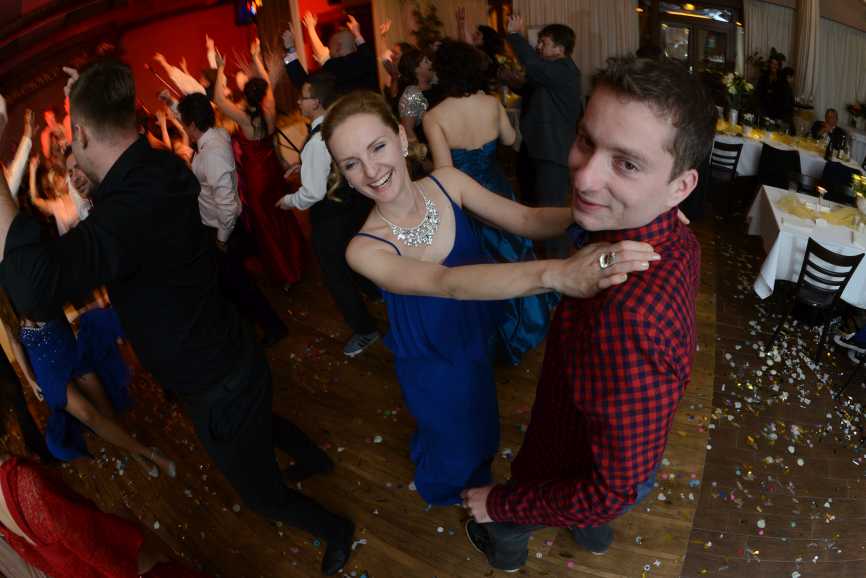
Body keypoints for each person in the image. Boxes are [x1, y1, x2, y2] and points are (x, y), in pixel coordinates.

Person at [0, 60, 354, 575]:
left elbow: (32, 285)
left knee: (261, 494)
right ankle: (314, 458)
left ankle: (336, 530)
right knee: (260, 424)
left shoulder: (128, 210)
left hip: (215, 380)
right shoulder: (157, 165)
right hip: (228, 354)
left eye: (75, 138)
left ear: (82, 134)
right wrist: (90, 100)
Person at [321, 90, 660, 506]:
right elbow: (447, 283)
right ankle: (452, 492)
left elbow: (526, 218)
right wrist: (557, 274)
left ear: (401, 138)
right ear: (343, 174)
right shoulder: (362, 249)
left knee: (481, 420)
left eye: (377, 147)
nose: (371, 171)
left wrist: (609, 214)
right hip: (431, 358)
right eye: (351, 164)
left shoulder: (447, 182)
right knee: (454, 439)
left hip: (471, 332)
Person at [460, 56, 711, 572]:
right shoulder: (672, 230)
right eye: (585, 140)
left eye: (628, 164)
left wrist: (501, 503)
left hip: (570, 458)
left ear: (681, 187)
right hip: (604, 429)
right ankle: (590, 533)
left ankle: (506, 547)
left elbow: (612, 489)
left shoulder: (629, 316)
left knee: (534, 512)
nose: (584, 176)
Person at [424, 40, 557, 365]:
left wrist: (417, 160)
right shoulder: (491, 102)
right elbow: (510, 140)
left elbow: (444, 172)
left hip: (465, 199)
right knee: (510, 253)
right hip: (497, 190)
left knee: (476, 265)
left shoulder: (434, 116)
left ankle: (489, 337)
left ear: (443, 73)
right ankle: (524, 325)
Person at [274, 60, 380, 358]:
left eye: (303, 97)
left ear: (316, 103)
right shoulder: (338, 125)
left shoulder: (315, 142)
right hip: (353, 206)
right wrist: (305, 167)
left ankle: (365, 329)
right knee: (358, 254)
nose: (299, 101)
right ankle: (376, 292)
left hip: (330, 218)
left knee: (336, 276)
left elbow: (312, 193)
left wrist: (288, 201)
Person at [177, 92, 288, 347]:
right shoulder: (214, 136)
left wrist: (221, 239)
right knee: (234, 285)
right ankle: (254, 328)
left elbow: (226, 205)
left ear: (192, 124)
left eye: (184, 123)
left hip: (224, 229)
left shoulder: (212, 155)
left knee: (240, 286)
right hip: (222, 226)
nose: (183, 128)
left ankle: (273, 328)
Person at [0, 454, 210, 578]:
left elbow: (43, 558)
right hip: (117, 566)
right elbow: (90, 542)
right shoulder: (24, 482)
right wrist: (142, 558)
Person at [214, 40, 306, 292]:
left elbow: (219, 100)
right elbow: (266, 83)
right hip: (273, 172)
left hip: (256, 178)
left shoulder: (245, 119)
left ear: (245, 96)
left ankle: (285, 273)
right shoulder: (270, 111)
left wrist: (220, 68)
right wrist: (256, 57)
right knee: (282, 217)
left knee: (266, 226)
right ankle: (296, 263)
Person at [506, 16, 581, 258]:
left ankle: (557, 263)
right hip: (540, 147)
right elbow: (529, 88)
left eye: (544, 43)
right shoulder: (551, 72)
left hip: (553, 151)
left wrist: (515, 36)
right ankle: (543, 256)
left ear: (559, 48)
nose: (539, 47)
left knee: (551, 211)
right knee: (539, 205)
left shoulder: (563, 69)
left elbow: (533, 65)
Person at [285, 13, 379, 94]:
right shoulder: (367, 62)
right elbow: (365, 51)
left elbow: (303, 84)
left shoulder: (331, 70)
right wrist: (357, 33)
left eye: (328, 48)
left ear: (336, 49)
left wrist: (290, 49)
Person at [396, 47, 435, 144]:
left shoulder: (435, 85)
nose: (431, 63)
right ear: (415, 69)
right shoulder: (412, 94)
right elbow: (408, 130)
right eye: (426, 61)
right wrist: (420, 152)